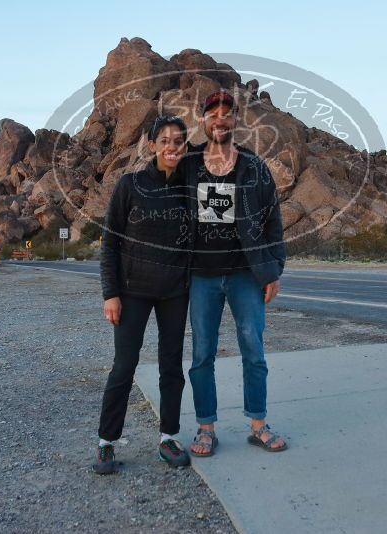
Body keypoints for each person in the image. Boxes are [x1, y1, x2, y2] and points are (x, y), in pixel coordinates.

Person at [182, 90, 288, 457]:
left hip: (246, 274)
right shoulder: (188, 163)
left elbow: (274, 221)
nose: (221, 119)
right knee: (202, 354)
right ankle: (206, 428)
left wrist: (274, 270)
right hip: (201, 276)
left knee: (254, 351)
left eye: (227, 113)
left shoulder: (254, 167)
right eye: (213, 114)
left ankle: (258, 424)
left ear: (236, 120)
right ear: (203, 120)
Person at [94, 116, 192, 475]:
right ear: (151, 144)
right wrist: (111, 294)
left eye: (179, 141)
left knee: (172, 367)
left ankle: (168, 437)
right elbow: (110, 243)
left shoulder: (189, 189)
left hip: (175, 293)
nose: (172, 147)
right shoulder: (130, 184)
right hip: (132, 292)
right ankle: (106, 444)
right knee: (124, 366)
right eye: (165, 140)